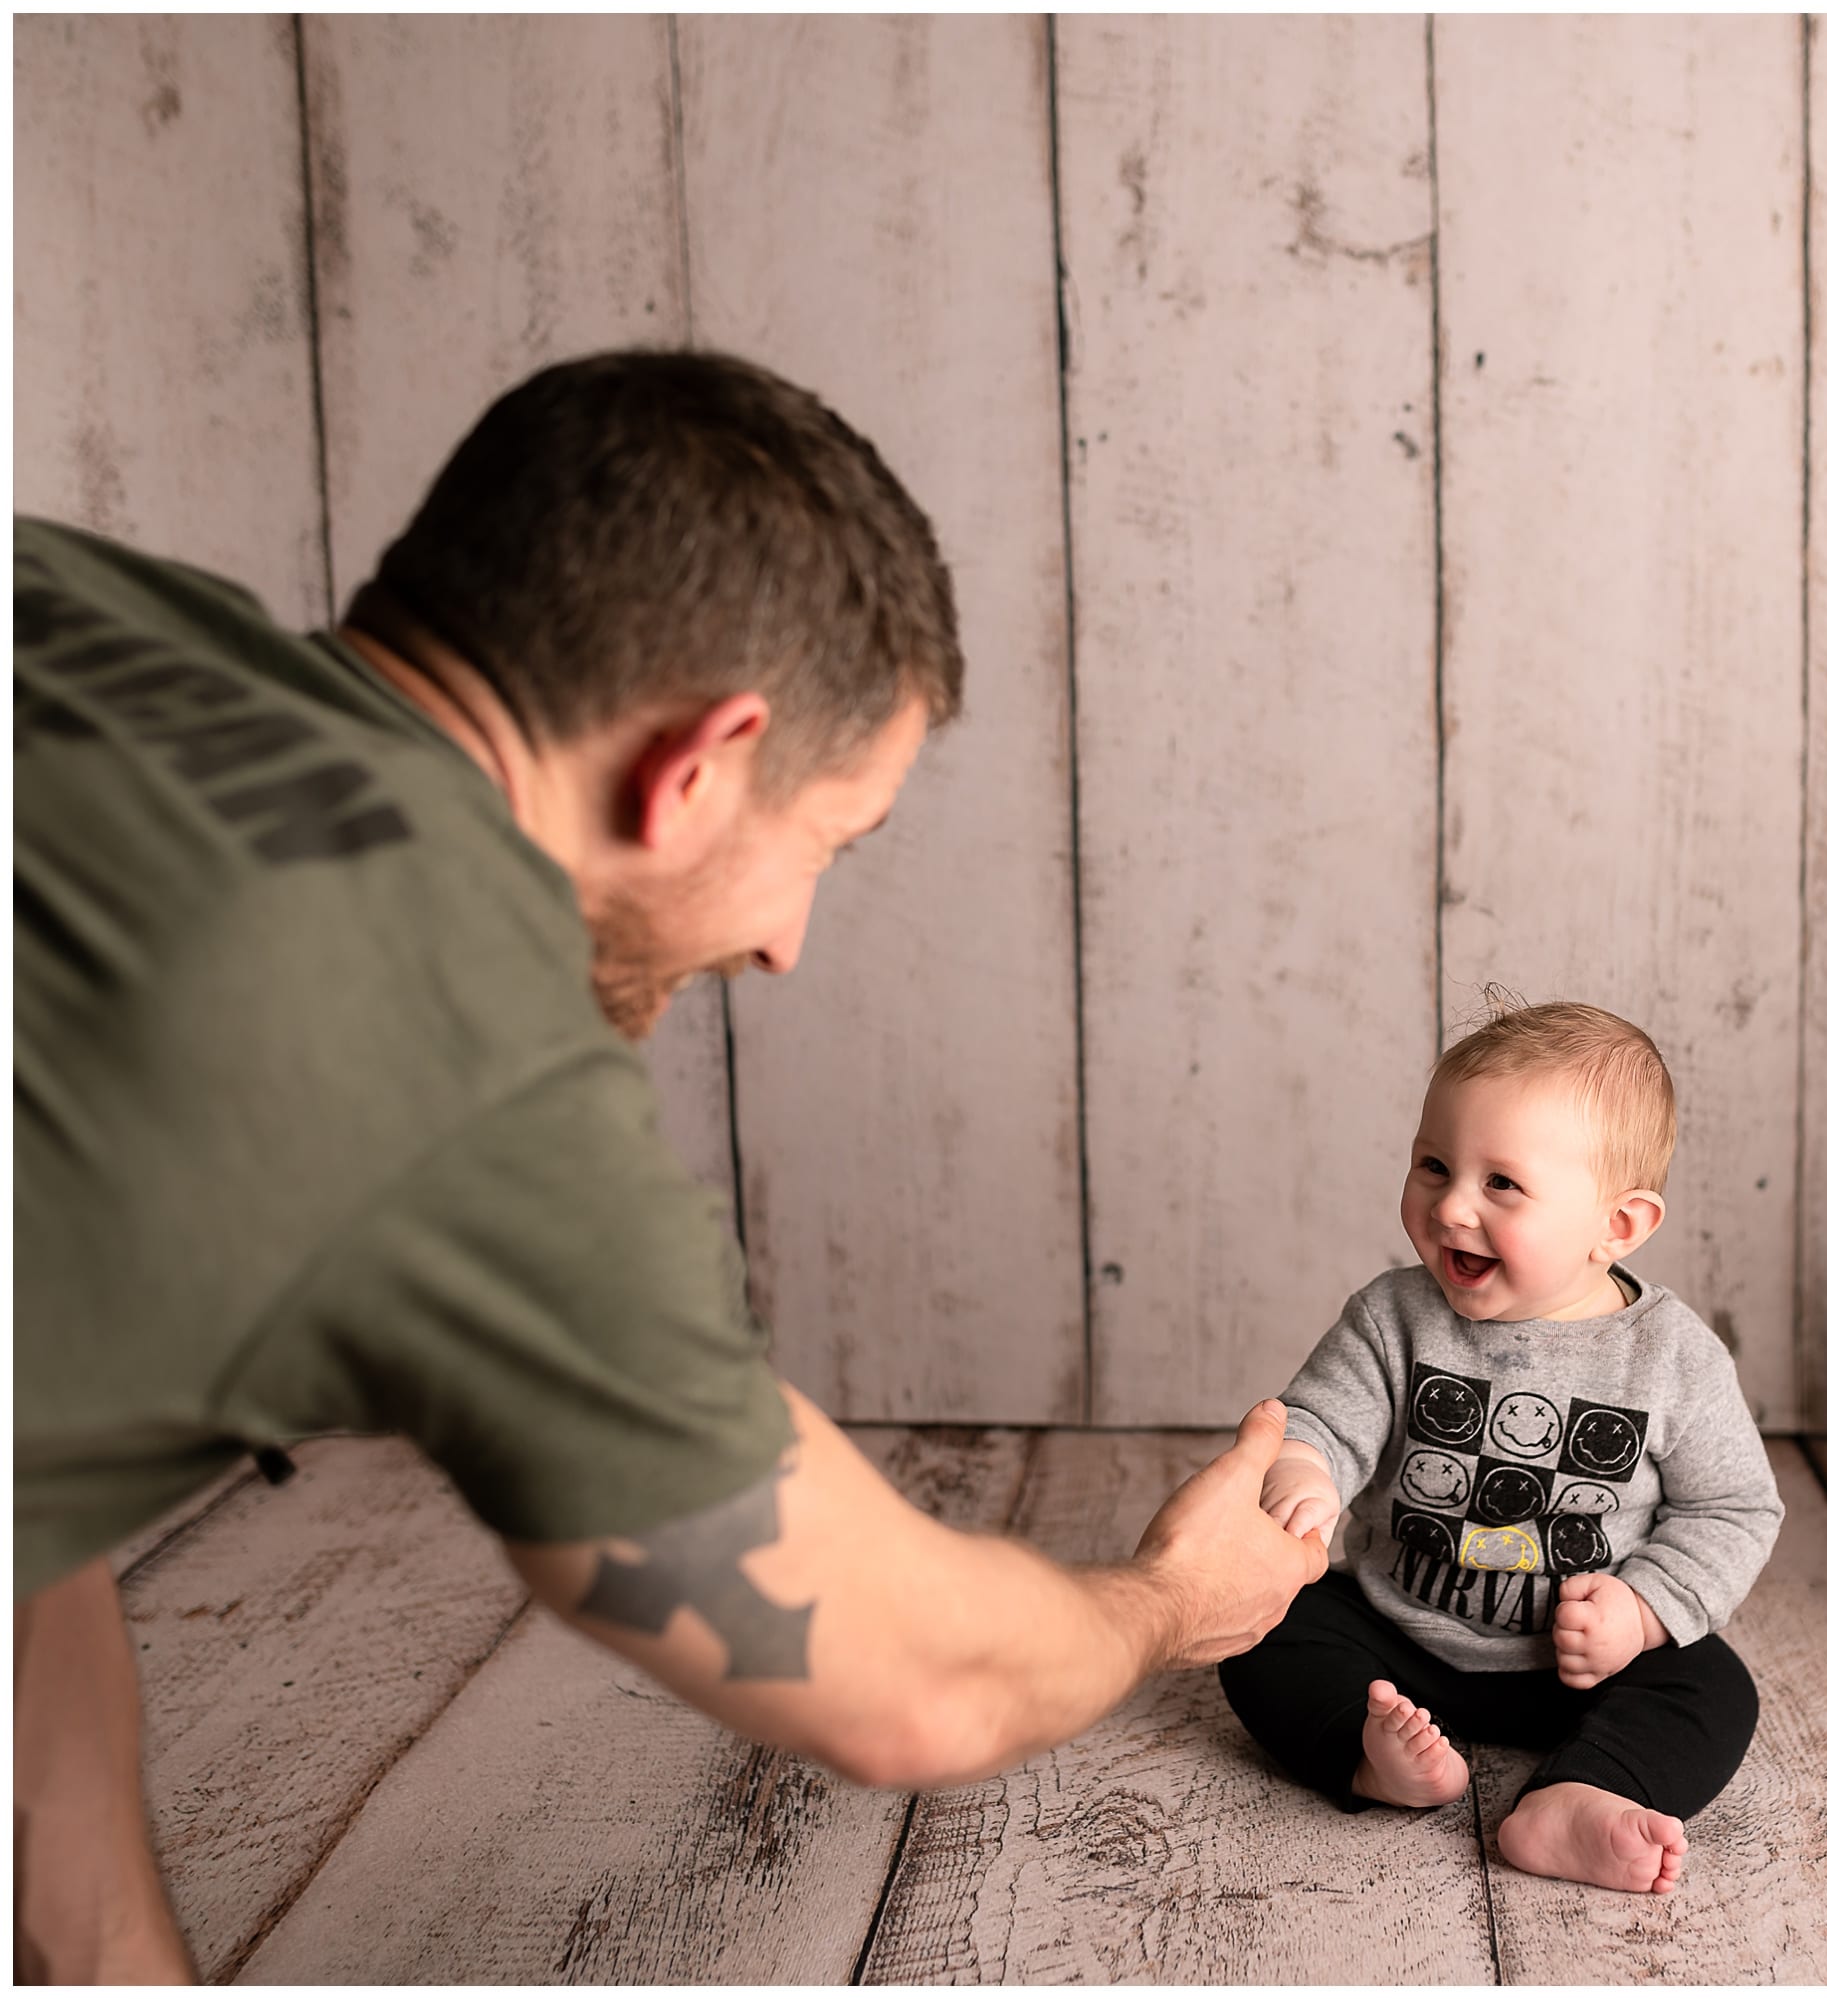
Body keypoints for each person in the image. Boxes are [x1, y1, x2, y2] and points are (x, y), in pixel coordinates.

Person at [13, 348, 1326, 1983]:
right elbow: (910, 1675)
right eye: (822, 846)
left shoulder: (74, 607)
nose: (784, 944)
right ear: (700, 763)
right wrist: (1159, 1597)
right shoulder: (445, 1043)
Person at [1218, 999, 1783, 1896]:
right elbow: (1322, 1417)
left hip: (1575, 1662)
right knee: (1260, 1628)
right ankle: (1368, 1758)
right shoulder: (1394, 1317)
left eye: (1501, 1185)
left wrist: (1639, 1612)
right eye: (1434, 1165)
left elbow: (1735, 1506)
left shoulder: (1671, 1358)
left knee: (1712, 1686)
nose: (1450, 1207)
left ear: (1620, 1225)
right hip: (1397, 1631)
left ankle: (1578, 1795)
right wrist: (1305, 1473)